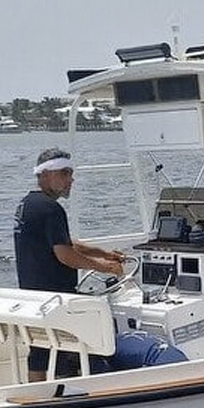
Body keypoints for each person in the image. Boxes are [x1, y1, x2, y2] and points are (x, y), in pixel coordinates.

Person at [13, 147, 125, 382]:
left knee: (40, 352)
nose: (70, 179)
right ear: (45, 174)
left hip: (34, 296)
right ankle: (66, 398)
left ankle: (38, 396)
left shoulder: (28, 204)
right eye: (64, 173)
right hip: (56, 298)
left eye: (70, 173)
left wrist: (103, 253)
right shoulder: (51, 209)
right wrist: (105, 267)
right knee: (67, 351)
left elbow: (63, 242)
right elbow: (64, 255)